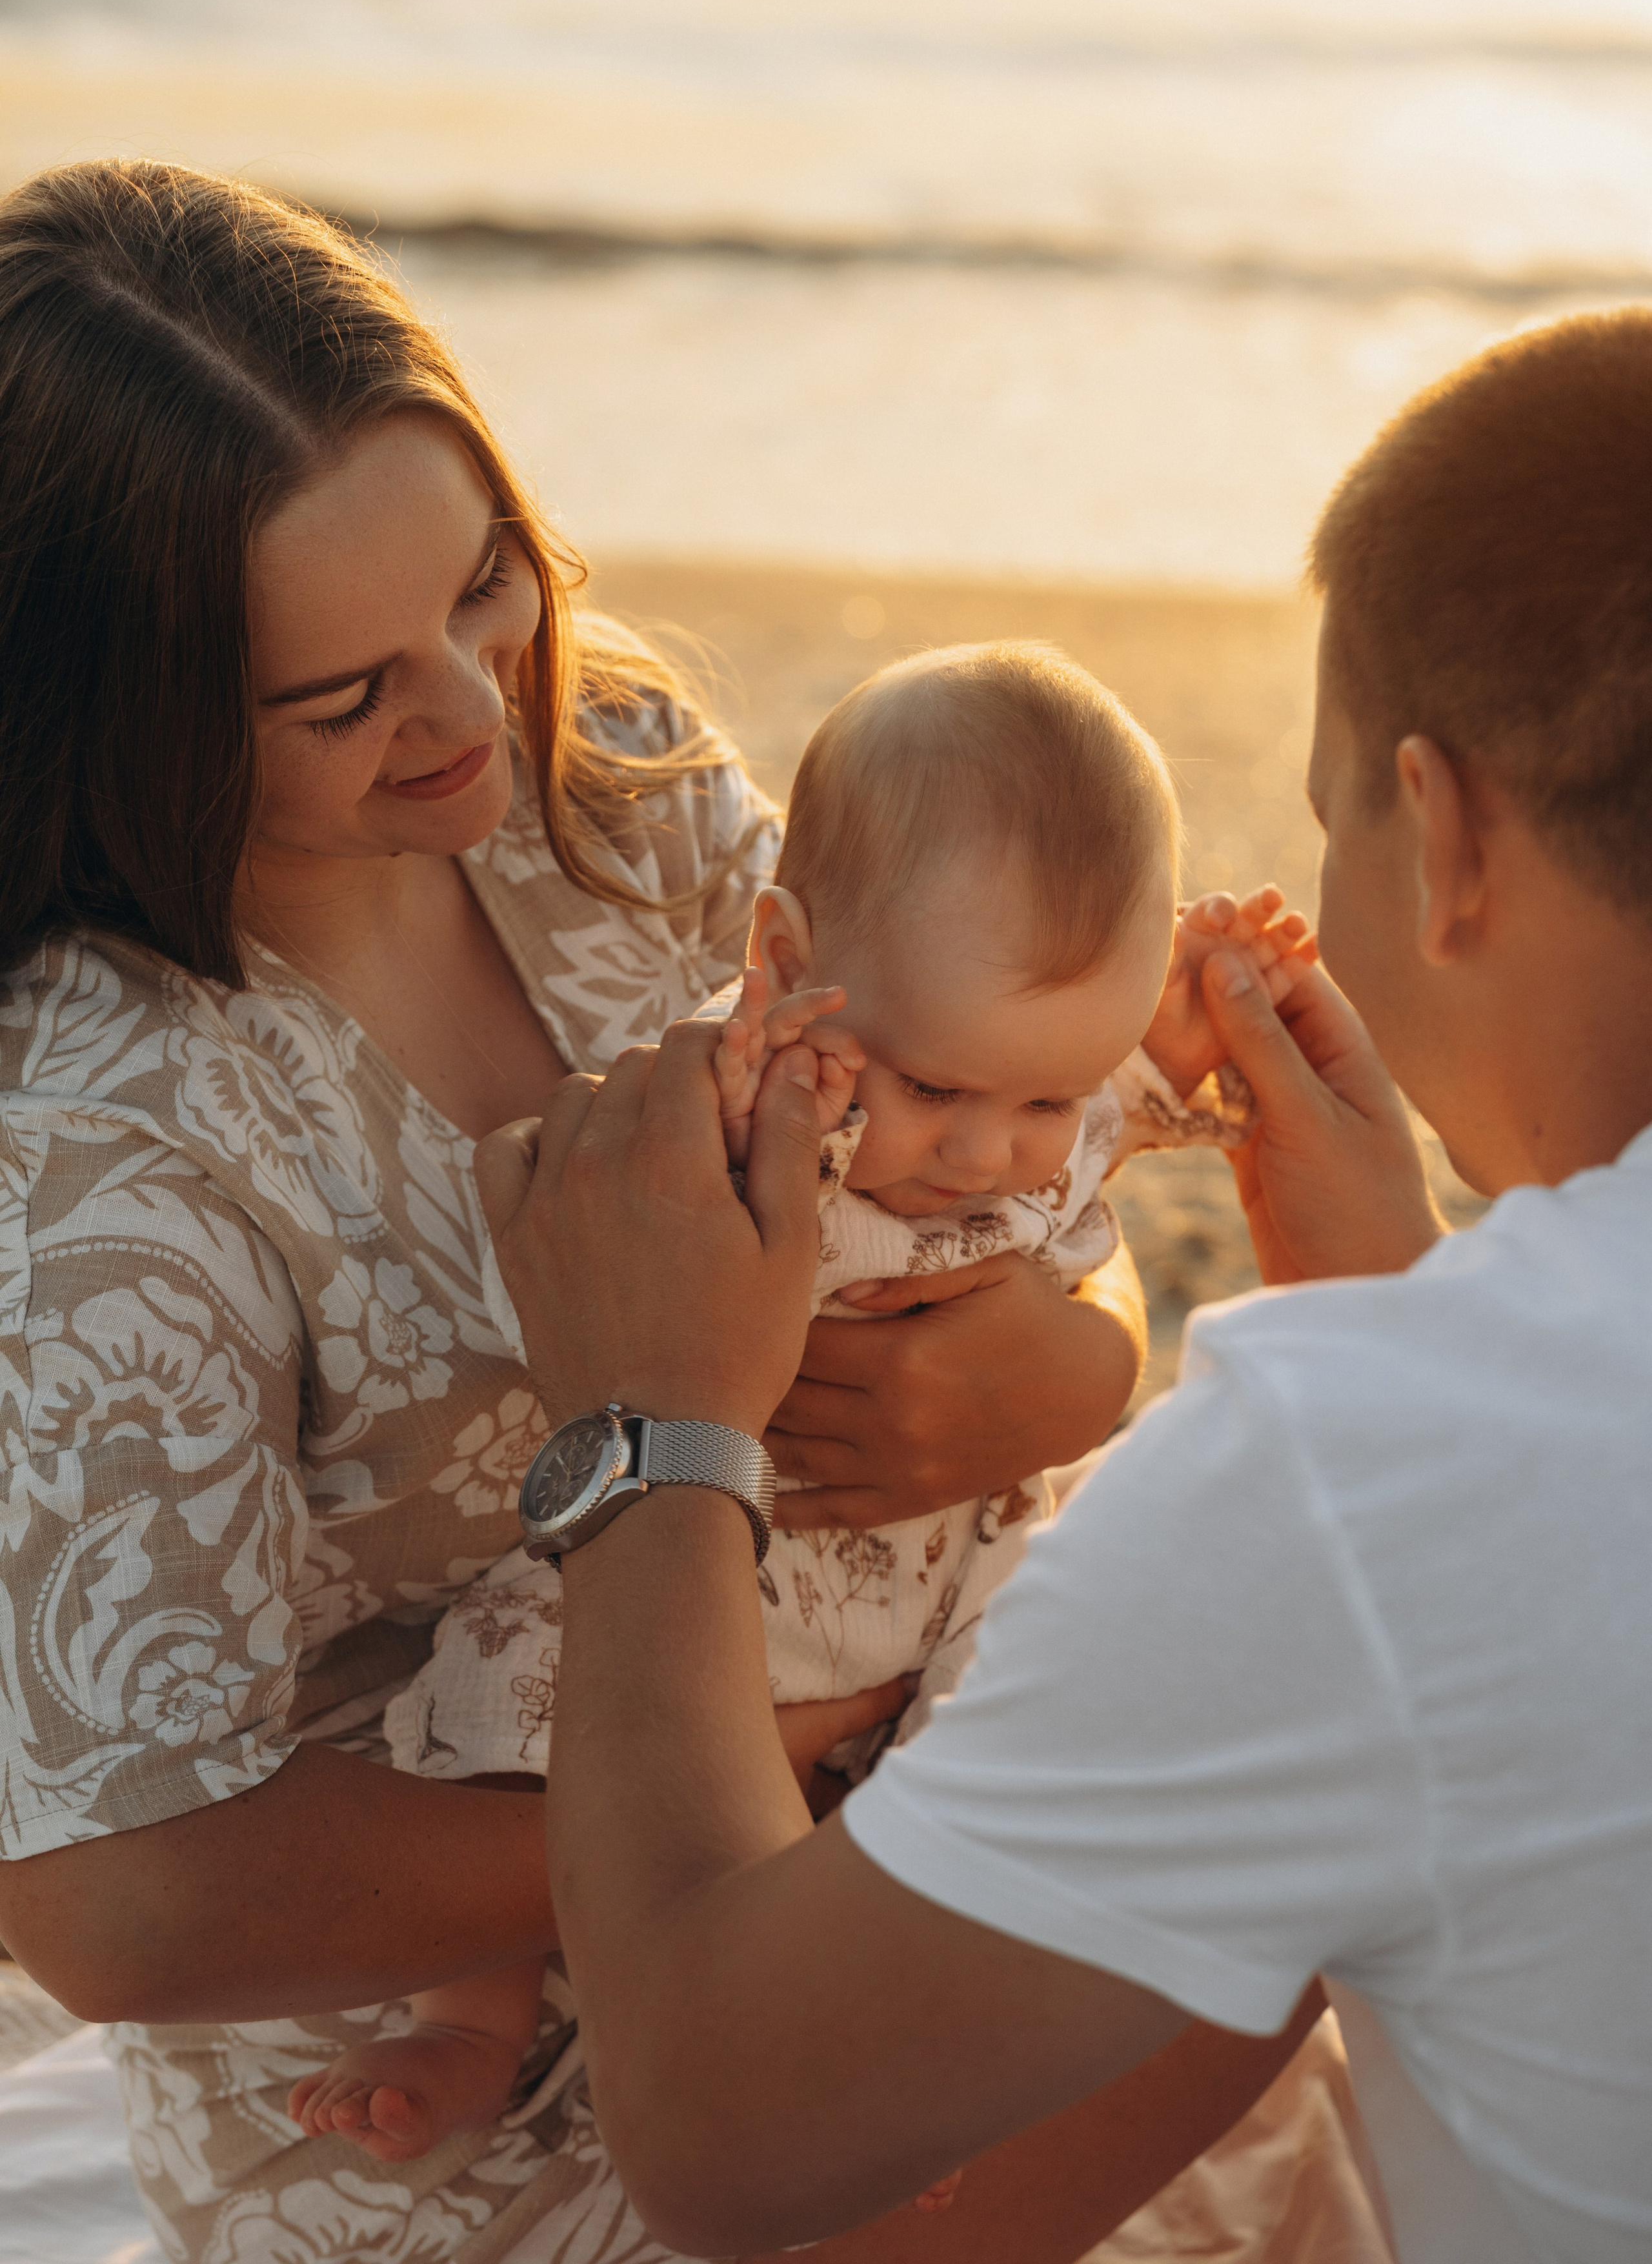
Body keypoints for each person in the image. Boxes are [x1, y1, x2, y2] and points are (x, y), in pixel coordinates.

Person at [0, 156, 1348, 2264]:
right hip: (438, 2040)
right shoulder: (84, 1153)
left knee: (1351, 1864)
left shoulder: (603, 756)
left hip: (869, 1777)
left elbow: (960, 1176)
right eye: (340, 695)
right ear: (111, 710)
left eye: (480, 586)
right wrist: (773, 1780)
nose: (465, 715)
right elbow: (112, 1902)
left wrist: (1053, 1383)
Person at [472, 308, 1652, 2264]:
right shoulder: (1423, 1456)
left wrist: (653, 1438)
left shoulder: (1368, 1485)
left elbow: (716, 2126)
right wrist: (1401, 1306)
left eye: (1335, 799)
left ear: (1439, 841)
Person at [288, 642, 1316, 2163]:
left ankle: (938, 2034)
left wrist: (1199, 1016)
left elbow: (1149, 1101)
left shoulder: (1040, 1087)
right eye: (935, 1090)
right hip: (709, 1576)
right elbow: (607, 1210)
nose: (987, 1153)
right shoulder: (754, 1096)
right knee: (516, 1691)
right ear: (781, 962)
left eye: (1042, 1100)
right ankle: (465, 2025)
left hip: (948, 1566)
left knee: (1014, 1751)